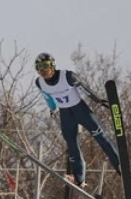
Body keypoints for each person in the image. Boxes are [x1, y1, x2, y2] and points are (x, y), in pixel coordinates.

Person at [34, 52, 120, 186]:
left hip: (80, 110)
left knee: (100, 136)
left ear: (52, 65)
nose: (44, 71)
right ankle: (79, 177)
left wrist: (98, 100)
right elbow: (48, 98)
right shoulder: (40, 83)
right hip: (65, 114)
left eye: (45, 66)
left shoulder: (67, 76)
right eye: (39, 68)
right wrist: (52, 108)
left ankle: (119, 163)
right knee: (72, 144)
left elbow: (85, 88)